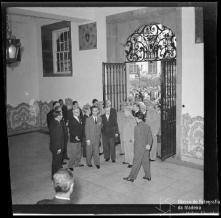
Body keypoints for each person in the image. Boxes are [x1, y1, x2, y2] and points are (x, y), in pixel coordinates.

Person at [123, 111, 153, 182]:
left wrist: (134, 143)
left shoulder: (136, 127)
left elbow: (138, 140)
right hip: (146, 148)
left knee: (136, 163)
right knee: (146, 162)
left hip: (139, 148)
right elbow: (150, 137)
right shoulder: (147, 126)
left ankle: (131, 177)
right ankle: (148, 176)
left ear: (137, 118)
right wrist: (148, 144)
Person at [49, 107, 65, 179]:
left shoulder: (53, 122)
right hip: (57, 147)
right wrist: (59, 148)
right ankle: (56, 176)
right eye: (61, 115)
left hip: (53, 146)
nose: (62, 116)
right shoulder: (57, 125)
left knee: (55, 162)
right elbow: (57, 138)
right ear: (58, 116)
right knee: (57, 163)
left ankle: (54, 175)